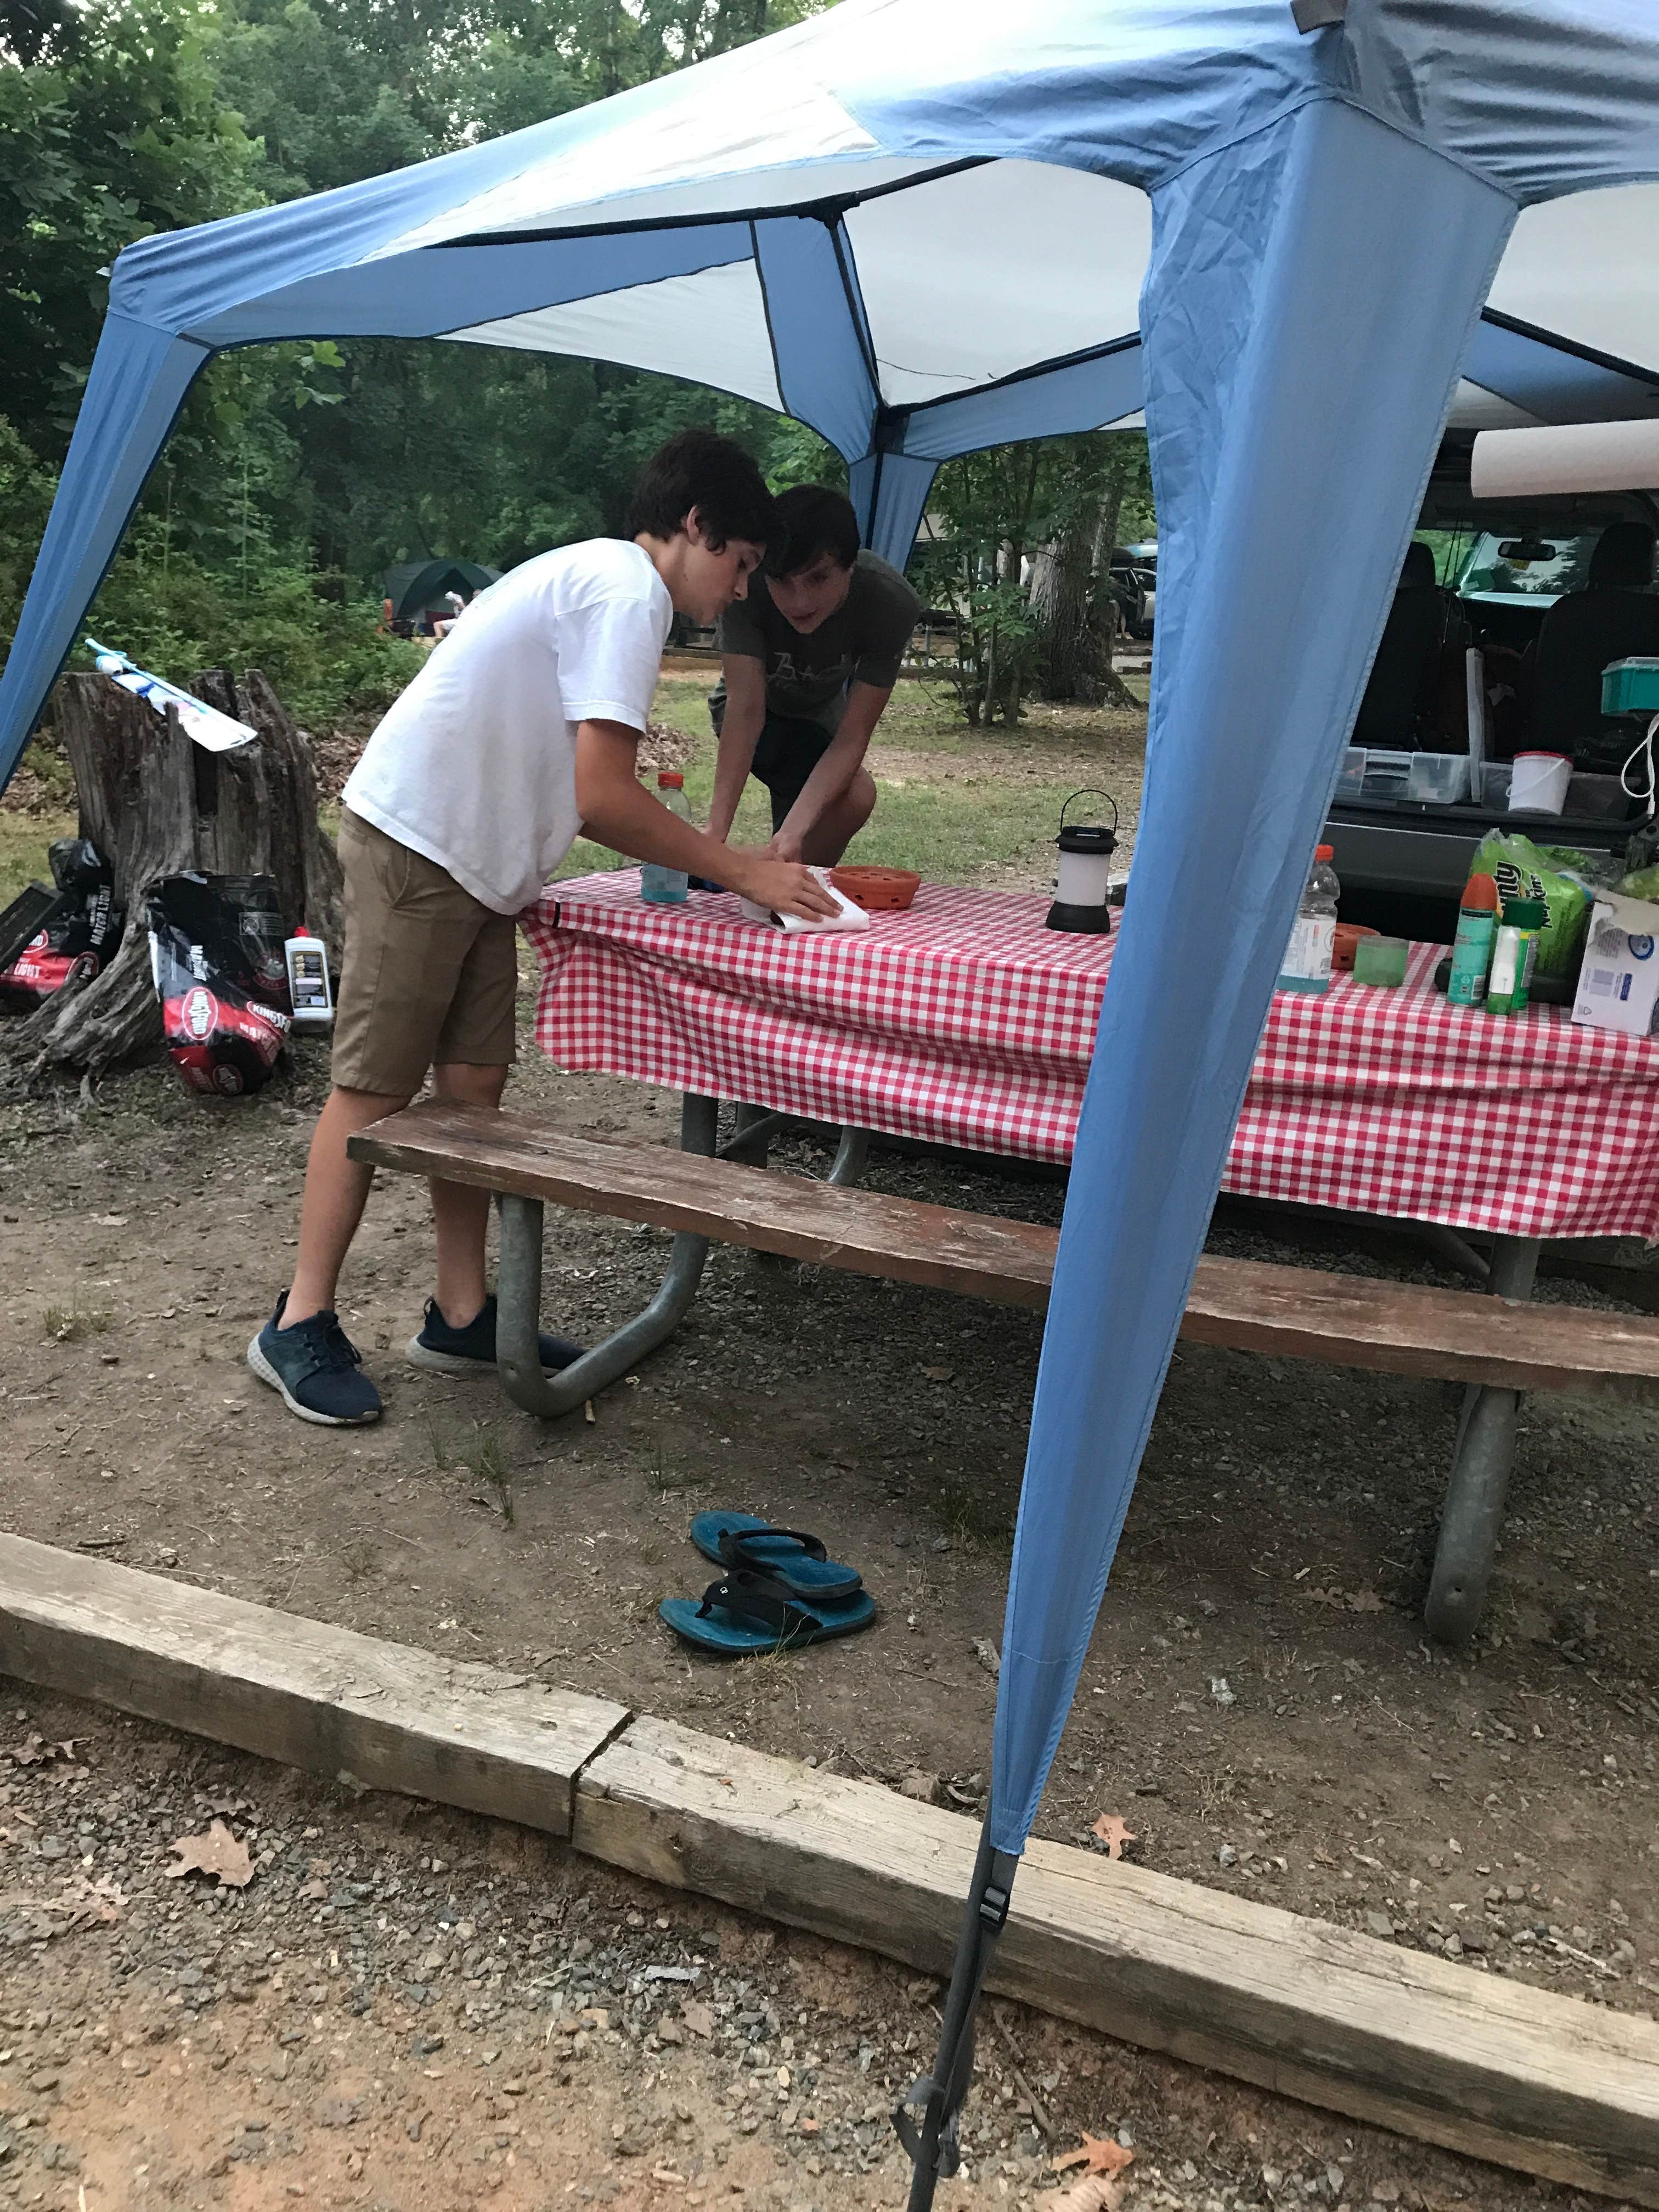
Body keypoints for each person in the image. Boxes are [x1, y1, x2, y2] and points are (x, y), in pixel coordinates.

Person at [249, 430, 837, 1427]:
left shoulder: (605, 584)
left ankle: (463, 1313)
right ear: (695, 526)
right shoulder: (627, 589)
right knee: (374, 1088)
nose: (739, 591)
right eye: (738, 564)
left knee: (472, 1086)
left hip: (481, 866)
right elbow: (603, 795)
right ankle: (296, 1320)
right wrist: (742, 868)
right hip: (420, 840)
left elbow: (568, 765)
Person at [706, 486, 922, 864]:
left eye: (818, 579)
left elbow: (854, 734)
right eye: (782, 581)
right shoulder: (747, 584)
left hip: (821, 717)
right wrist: (714, 836)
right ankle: (767, 876)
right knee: (841, 791)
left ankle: (790, 886)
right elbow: (745, 710)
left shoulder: (890, 602)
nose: (799, 600)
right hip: (751, 708)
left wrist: (794, 833)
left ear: (850, 567)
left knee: (851, 797)